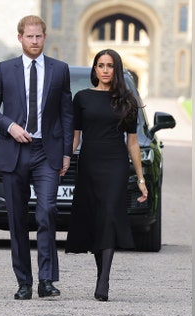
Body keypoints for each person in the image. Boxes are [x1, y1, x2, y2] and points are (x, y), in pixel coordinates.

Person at [0, 15, 73, 300]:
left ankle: (46, 280)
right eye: (29, 36)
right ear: (19, 37)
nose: (34, 41)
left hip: (47, 151)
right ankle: (24, 282)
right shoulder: (4, 70)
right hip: (15, 151)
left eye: (39, 36)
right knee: (17, 219)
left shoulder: (60, 70)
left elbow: (66, 113)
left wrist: (67, 152)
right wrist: (10, 126)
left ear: (45, 37)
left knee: (47, 211)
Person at [65, 49, 148, 302]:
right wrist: (65, 159)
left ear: (116, 69)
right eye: (100, 65)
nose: (104, 70)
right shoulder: (82, 98)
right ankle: (102, 273)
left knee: (110, 215)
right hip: (89, 163)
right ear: (95, 69)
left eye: (109, 66)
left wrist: (141, 179)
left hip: (115, 164)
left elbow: (132, 143)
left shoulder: (126, 101)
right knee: (95, 219)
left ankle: (104, 280)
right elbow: (75, 136)